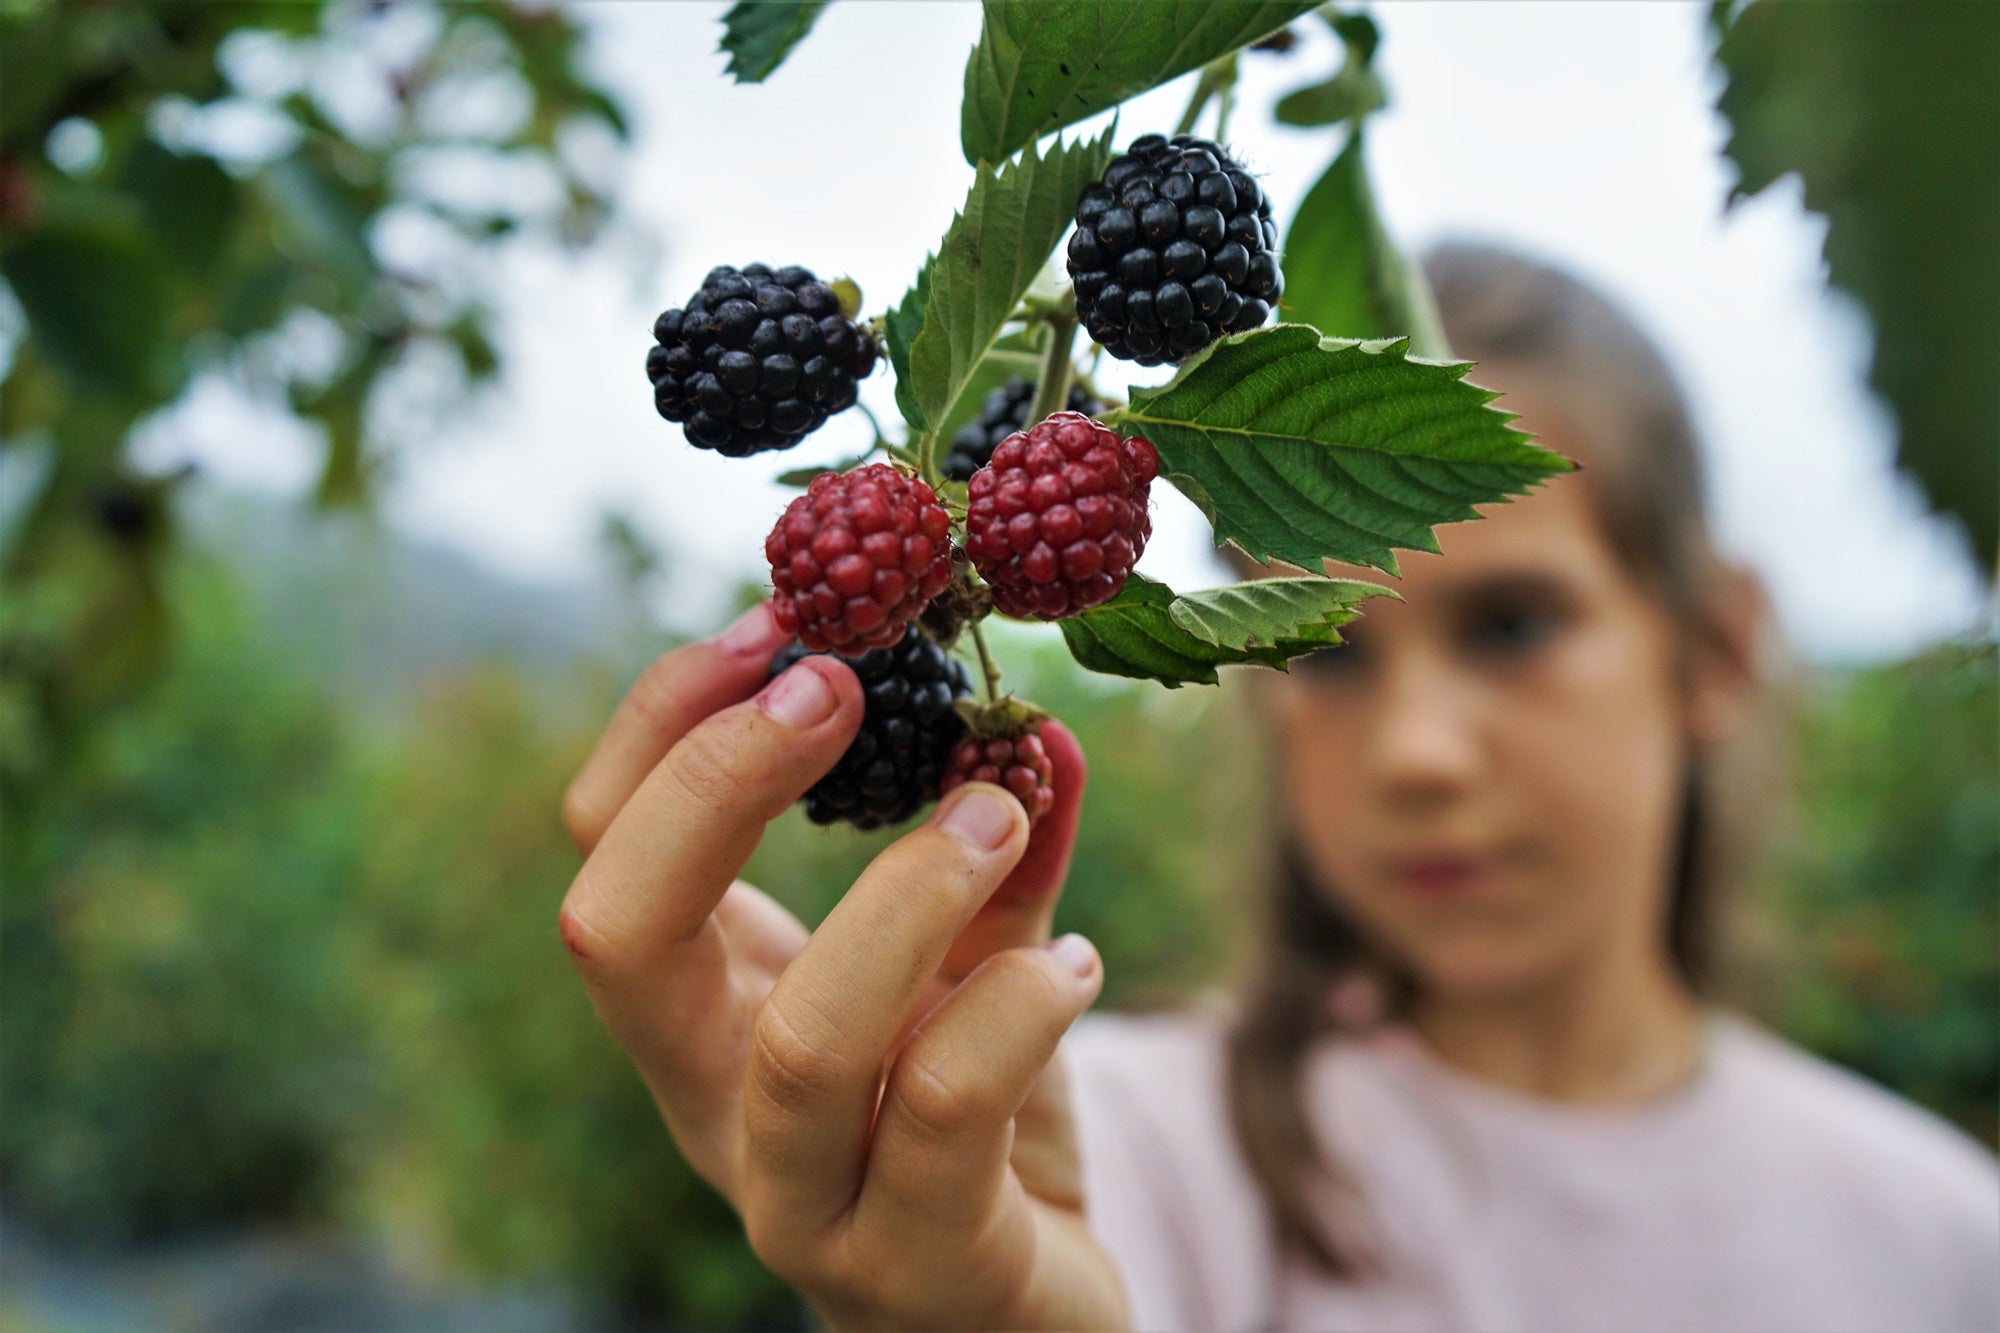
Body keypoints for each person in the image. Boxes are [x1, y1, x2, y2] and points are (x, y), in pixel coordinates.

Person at [554, 243, 2000, 1331]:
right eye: (1331, 651)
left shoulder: (1945, 1244)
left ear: (1716, 647)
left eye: (1512, 625)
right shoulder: (1081, 1150)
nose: (1422, 753)